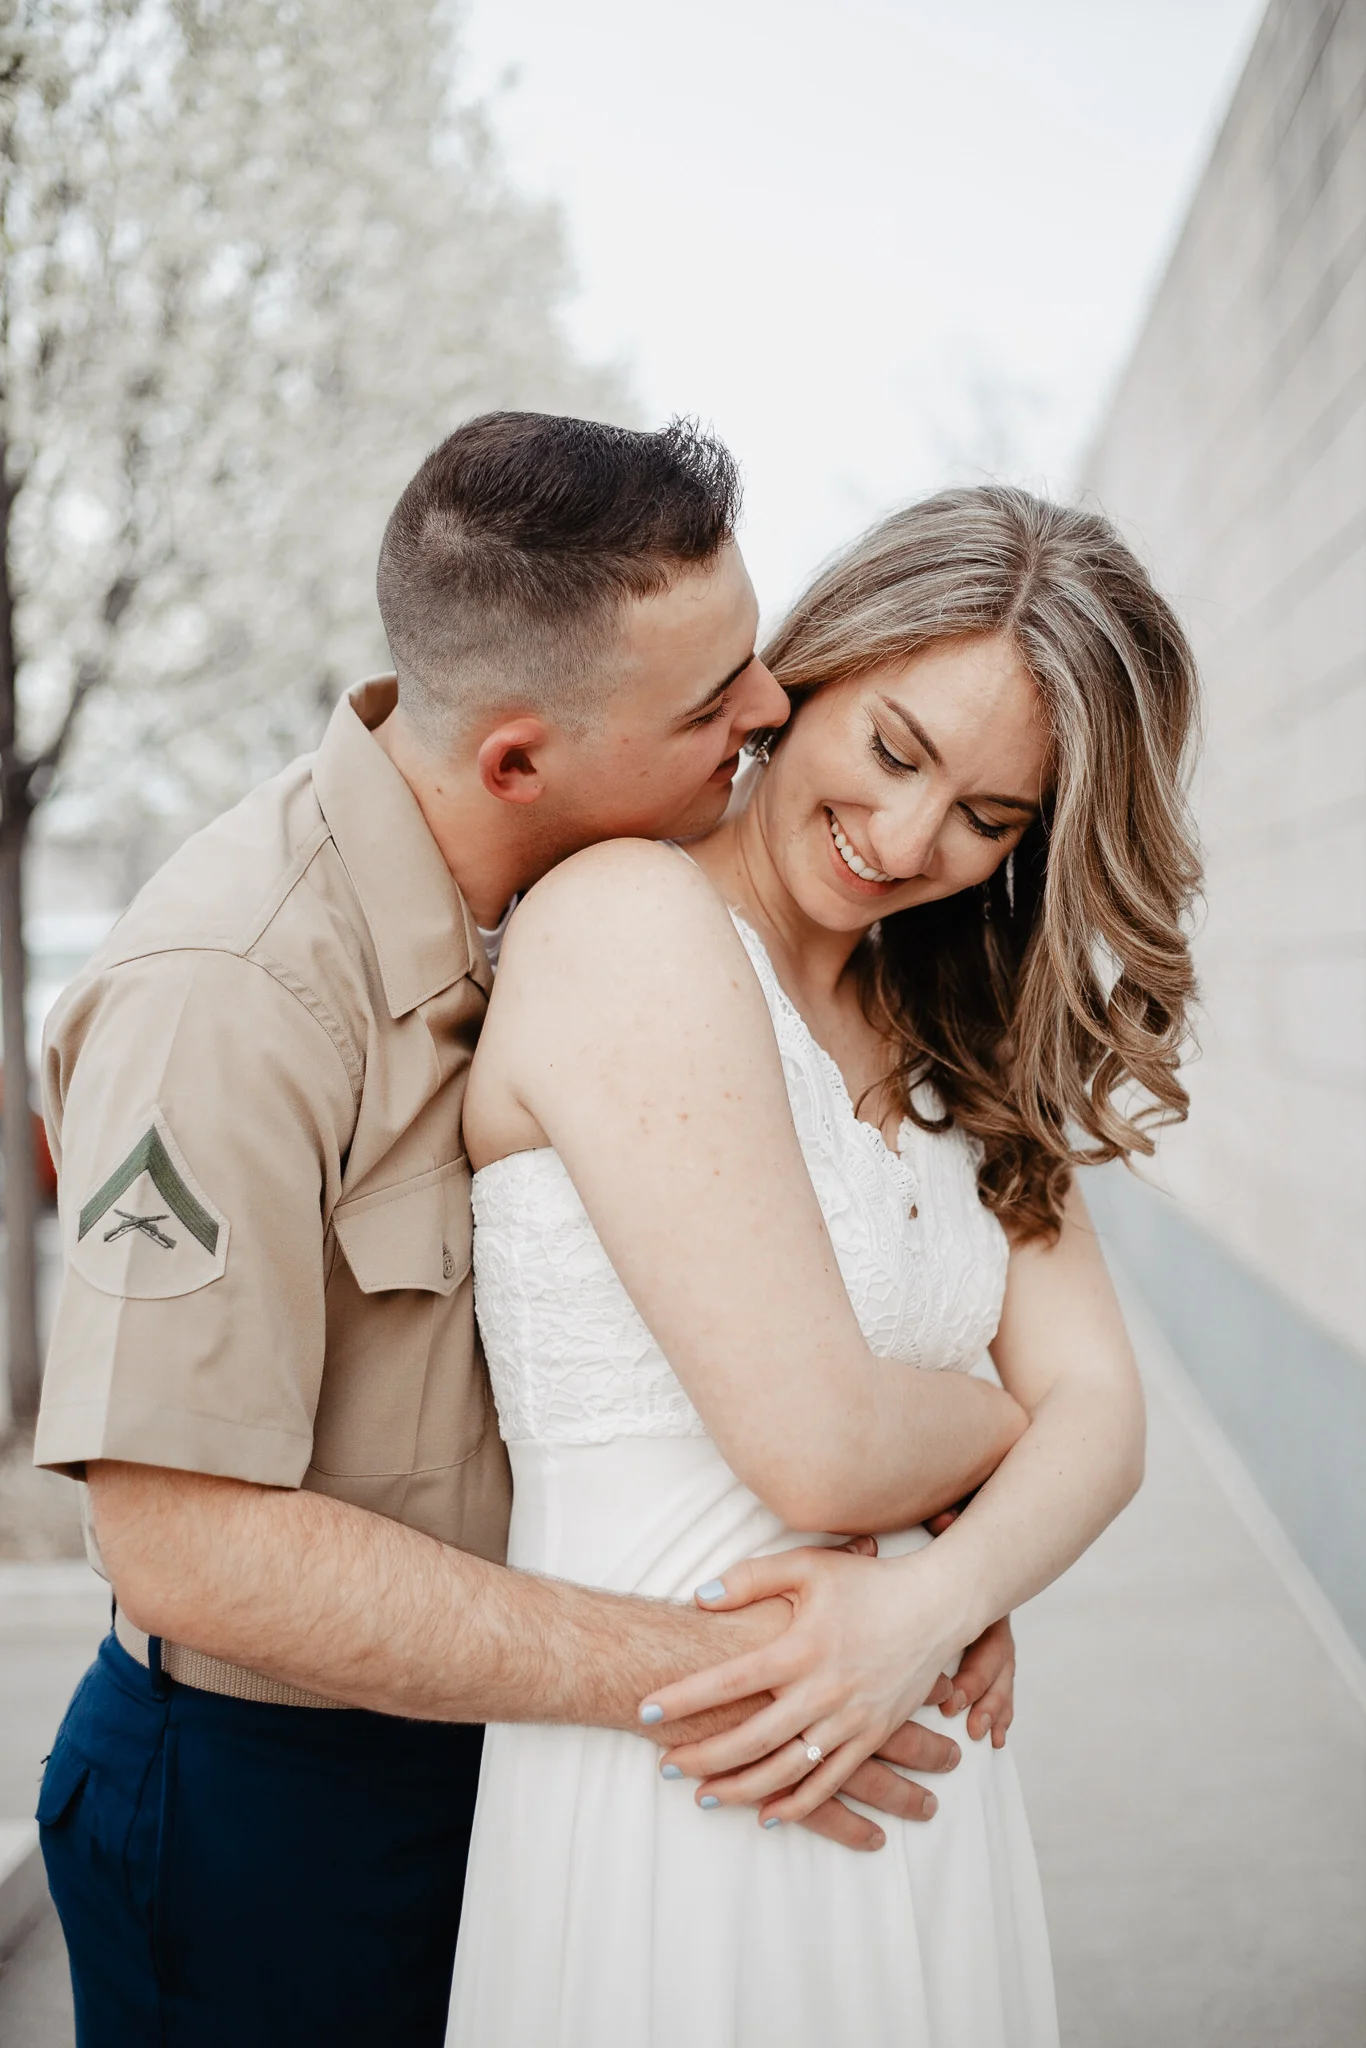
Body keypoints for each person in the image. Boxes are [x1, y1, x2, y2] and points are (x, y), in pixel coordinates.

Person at [33, 416, 1029, 2048]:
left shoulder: (595, 896)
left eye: (754, 664)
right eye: (714, 706)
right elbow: (182, 1540)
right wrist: (740, 1670)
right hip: (281, 1817)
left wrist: (918, 1584)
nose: (770, 716)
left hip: (534, 1763)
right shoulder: (228, 996)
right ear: (517, 757)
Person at [445, 483, 1201, 2043]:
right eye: (895, 751)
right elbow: (821, 1443)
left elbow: (1111, 1425)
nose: (909, 839)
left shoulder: (952, 1029)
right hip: (676, 1779)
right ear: (811, 673)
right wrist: (1003, 1450)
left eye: (991, 818)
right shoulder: (627, 922)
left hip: (912, 1765)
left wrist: (935, 1602)